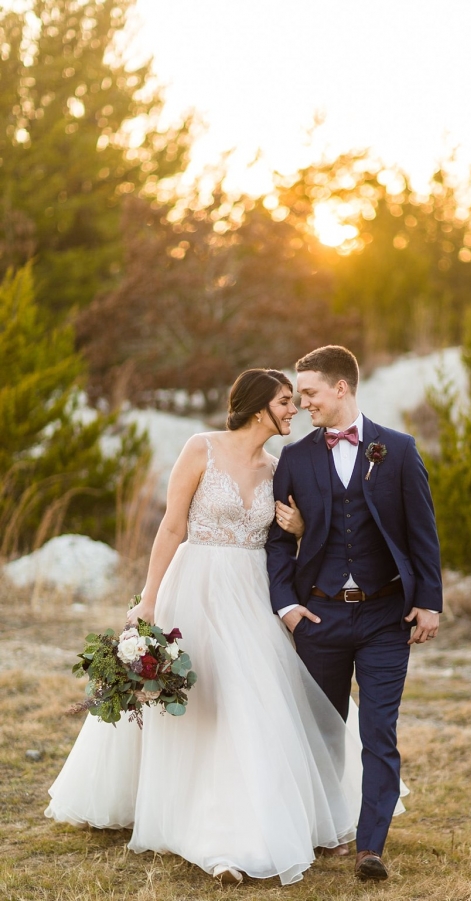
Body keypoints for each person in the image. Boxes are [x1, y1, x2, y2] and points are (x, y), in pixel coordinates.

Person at [46, 369, 404, 886]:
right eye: (286, 401)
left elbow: (291, 545)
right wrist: (148, 600)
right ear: (260, 407)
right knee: (194, 703)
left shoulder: (281, 468)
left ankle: (238, 834)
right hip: (192, 587)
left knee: (249, 704)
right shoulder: (200, 448)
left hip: (251, 594)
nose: (294, 410)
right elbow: (171, 526)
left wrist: (301, 531)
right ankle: (187, 815)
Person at [266, 344, 442, 883]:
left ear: (342, 388)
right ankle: (322, 830)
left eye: (311, 394)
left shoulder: (398, 449)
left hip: (386, 616)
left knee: (379, 732)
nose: (303, 405)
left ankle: (371, 848)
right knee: (321, 731)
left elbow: (422, 531)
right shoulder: (295, 460)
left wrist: (429, 601)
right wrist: (288, 607)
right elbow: (277, 541)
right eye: (299, 397)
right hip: (319, 618)